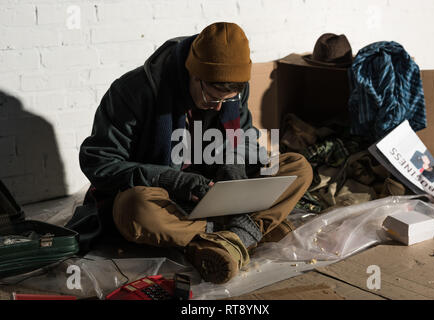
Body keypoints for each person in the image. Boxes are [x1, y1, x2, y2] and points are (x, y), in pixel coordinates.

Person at [78, 22, 313, 284]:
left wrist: (234, 163)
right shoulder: (133, 92)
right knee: (134, 209)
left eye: (227, 100)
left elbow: (244, 137)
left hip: (215, 191)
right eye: (213, 98)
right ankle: (243, 233)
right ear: (193, 74)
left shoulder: (231, 93)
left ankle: (220, 239)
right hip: (165, 198)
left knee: (297, 167)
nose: (219, 107)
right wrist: (169, 179)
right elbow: (98, 162)